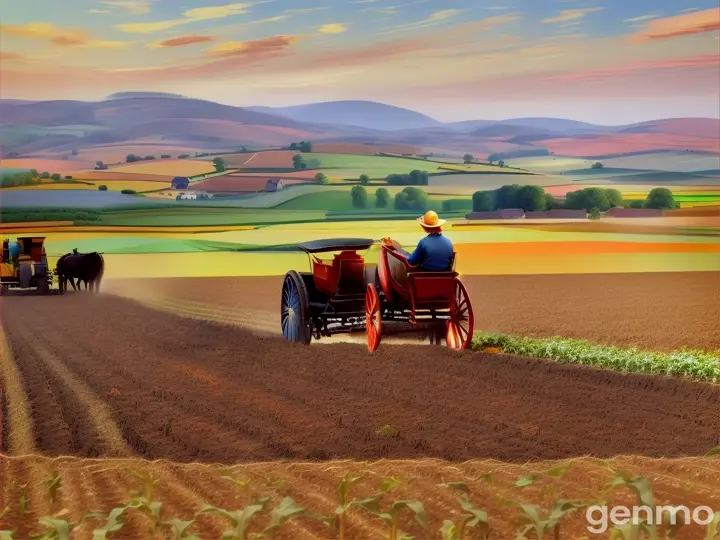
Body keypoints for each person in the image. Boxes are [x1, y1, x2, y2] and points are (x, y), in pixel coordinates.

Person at [386, 210, 454, 273]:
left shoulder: (424, 242)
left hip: (424, 276)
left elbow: (412, 261)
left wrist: (397, 251)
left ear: (425, 227)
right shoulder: (448, 242)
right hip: (445, 276)